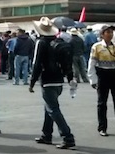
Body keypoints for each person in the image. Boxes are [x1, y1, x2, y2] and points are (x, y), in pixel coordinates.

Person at [30, 17, 77, 150]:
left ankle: (67, 136)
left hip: (47, 79)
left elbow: (37, 63)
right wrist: (69, 77)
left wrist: (32, 81)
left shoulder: (41, 43)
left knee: (53, 109)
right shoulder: (58, 42)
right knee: (49, 107)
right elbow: (67, 63)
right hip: (58, 80)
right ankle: (47, 134)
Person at [88, 25, 115, 137]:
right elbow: (92, 63)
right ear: (102, 34)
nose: (110, 34)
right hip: (103, 75)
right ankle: (102, 128)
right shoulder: (96, 47)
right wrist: (92, 79)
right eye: (108, 32)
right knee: (102, 103)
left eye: (111, 32)